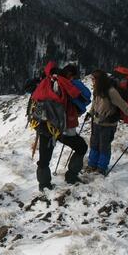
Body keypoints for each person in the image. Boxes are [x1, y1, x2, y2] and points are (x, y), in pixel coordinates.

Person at [32, 61, 88, 191]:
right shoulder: (65, 84)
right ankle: (71, 176)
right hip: (62, 129)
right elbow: (80, 99)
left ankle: (44, 186)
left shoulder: (43, 84)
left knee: (44, 159)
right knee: (81, 147)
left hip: (44, 127)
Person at [85, 70, 128, 175]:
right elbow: (94, 104)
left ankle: (101, 168)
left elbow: (124, 107)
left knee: (104, 146)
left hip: (108, 125)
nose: (92, 81)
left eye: (94, 79)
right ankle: (92, 165)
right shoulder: (97, 90)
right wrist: (90, 113)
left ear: (99, 80)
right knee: (94, 144)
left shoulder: (111, 92)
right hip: (96, 122)